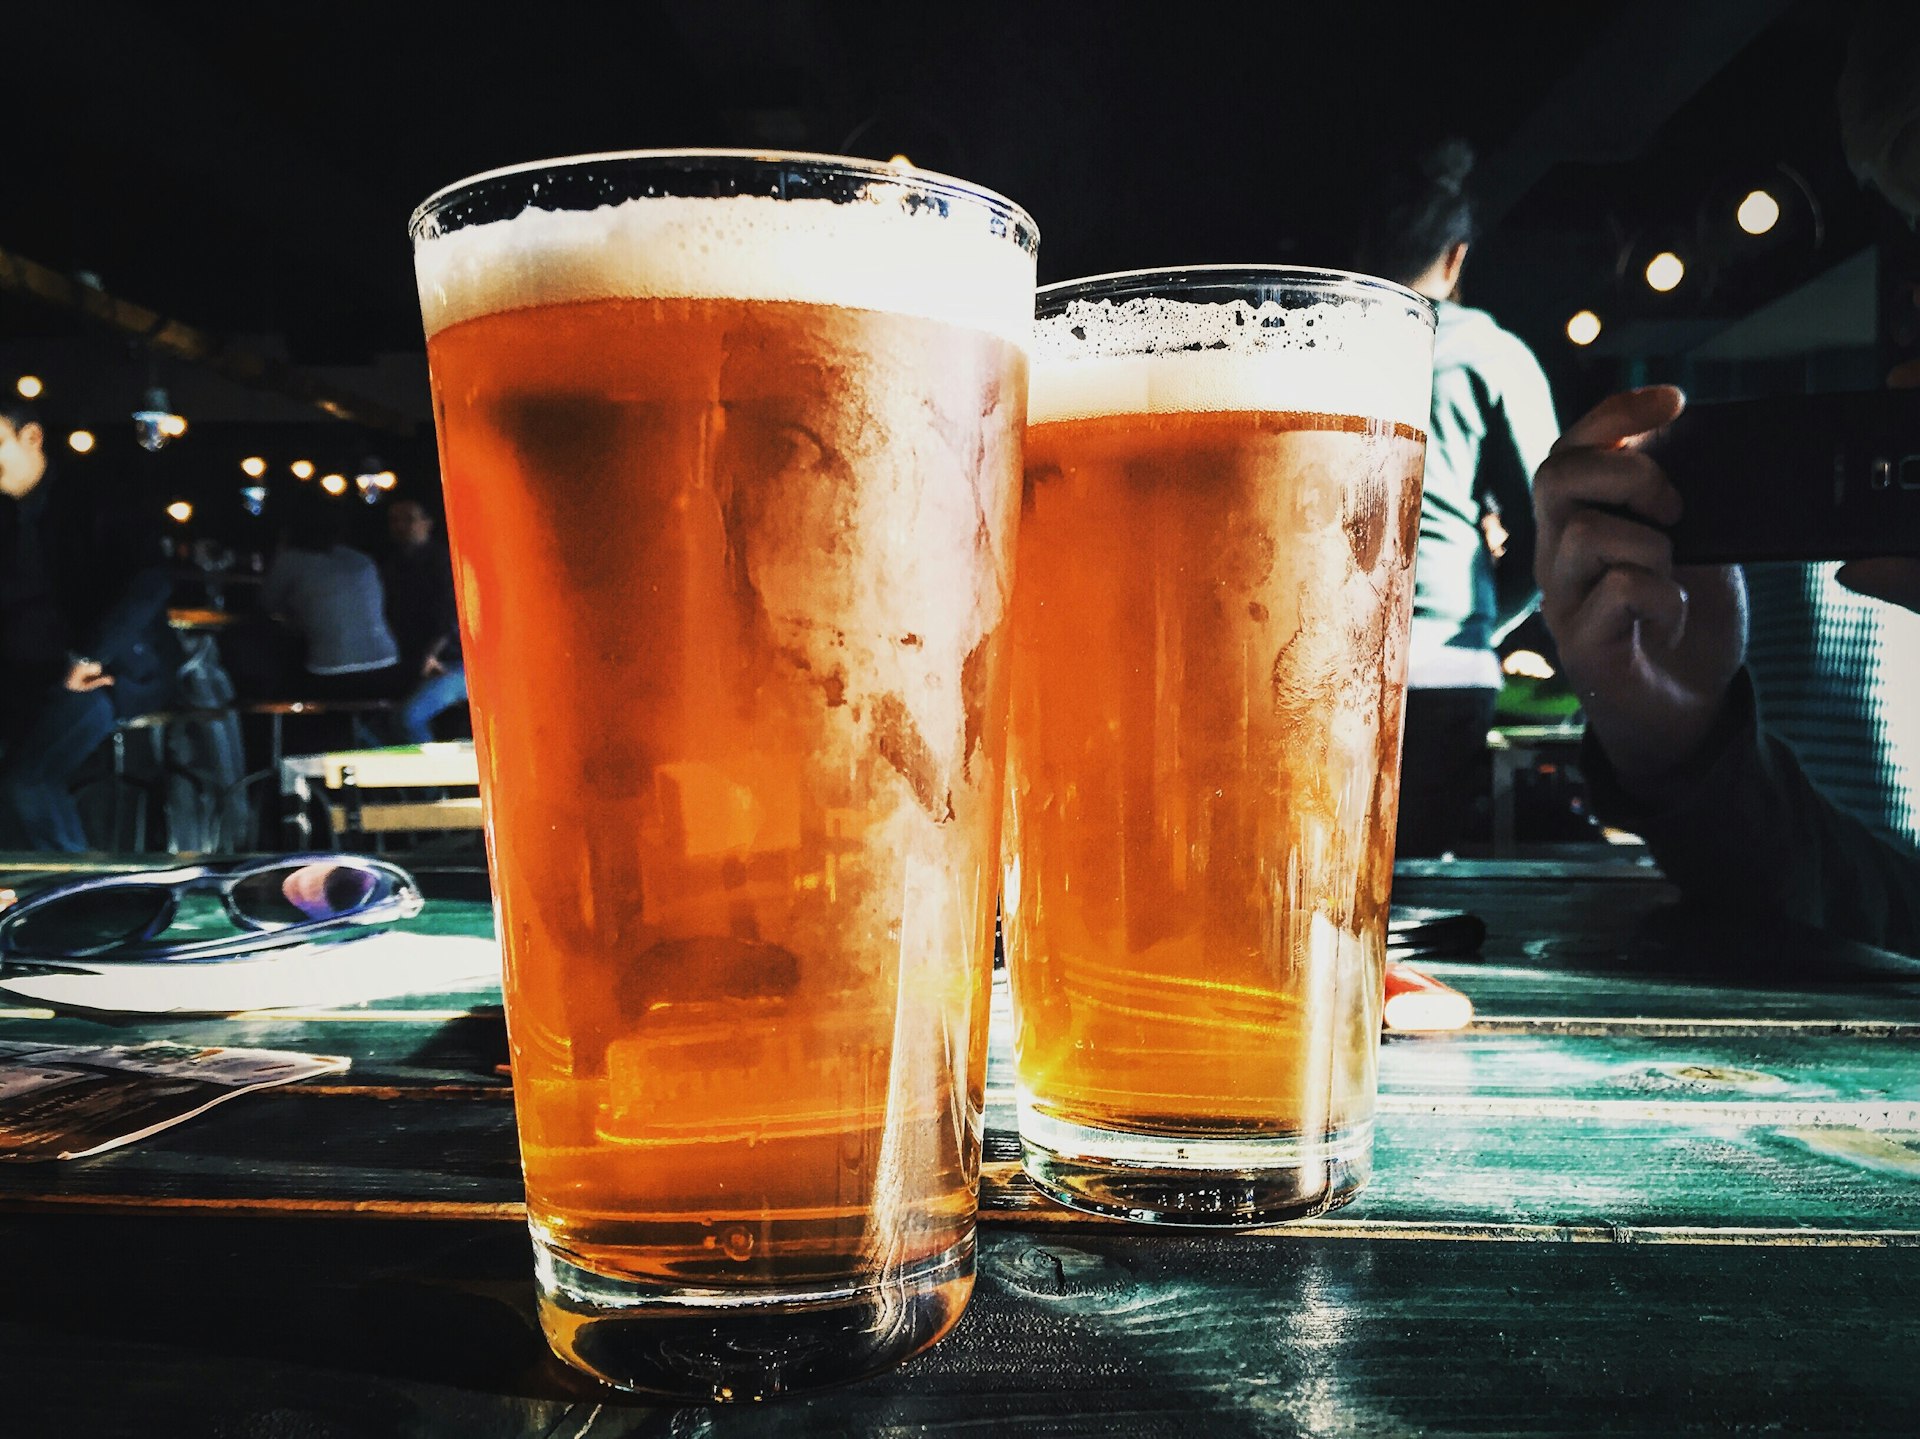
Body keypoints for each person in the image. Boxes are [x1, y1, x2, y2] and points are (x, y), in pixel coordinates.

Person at [1355, 138, 1561, 856]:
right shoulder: (1488, 352)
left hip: (1330, 649)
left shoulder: (1331, 342)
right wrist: (1485, 617)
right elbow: (1548, 522)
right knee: (1417, 870)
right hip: (1447, 658)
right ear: (1457, 256)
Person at [0, 397, 183, 851]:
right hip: (26, 677)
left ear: (33, 437)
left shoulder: (94, 498)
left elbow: (151, 581)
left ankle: (73, 901)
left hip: (104, 671)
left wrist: (91, 654)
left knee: (28, 782)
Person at [258, 484, 403, 706]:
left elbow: (267, 604)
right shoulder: (362, 560)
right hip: (387, 665)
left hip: (331, 672)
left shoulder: (291, 561)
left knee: (275, 673)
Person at [381, 499, 468, 744]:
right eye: (394, 520)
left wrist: (432, 654)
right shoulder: (392, 566)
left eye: (408, 519)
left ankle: (431, 782)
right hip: (413, 662)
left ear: (428, 523)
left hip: (455, 663)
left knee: (409, 718)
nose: (399, 526)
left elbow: (452, 615)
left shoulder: (445, 562)